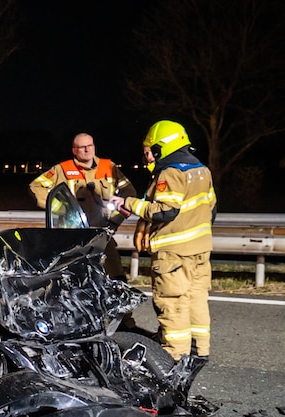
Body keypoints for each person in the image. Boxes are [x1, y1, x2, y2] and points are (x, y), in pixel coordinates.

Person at [109, 120, 216, 370]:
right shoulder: (201, 169)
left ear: (160, 148)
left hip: (174, 254)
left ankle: (173, 357)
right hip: (200, 250)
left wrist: (131, 204)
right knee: (196, 299)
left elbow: (165, 211)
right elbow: (211, 209)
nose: (146, 156)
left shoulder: (171, 173)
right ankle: (199, 349)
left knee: (173, 303)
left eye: (148, 150)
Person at [29, 133, 136, 279]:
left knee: (115, 277)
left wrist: (115, 220)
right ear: (74, 150)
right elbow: (35, 188)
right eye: (82, 147)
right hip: (73, 236)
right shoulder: (63, 169)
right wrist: (62, 210)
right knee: (75, 279)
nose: (87, 150)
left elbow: (129, 194)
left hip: (103, 233)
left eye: (90, 146)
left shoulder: (108, 167)